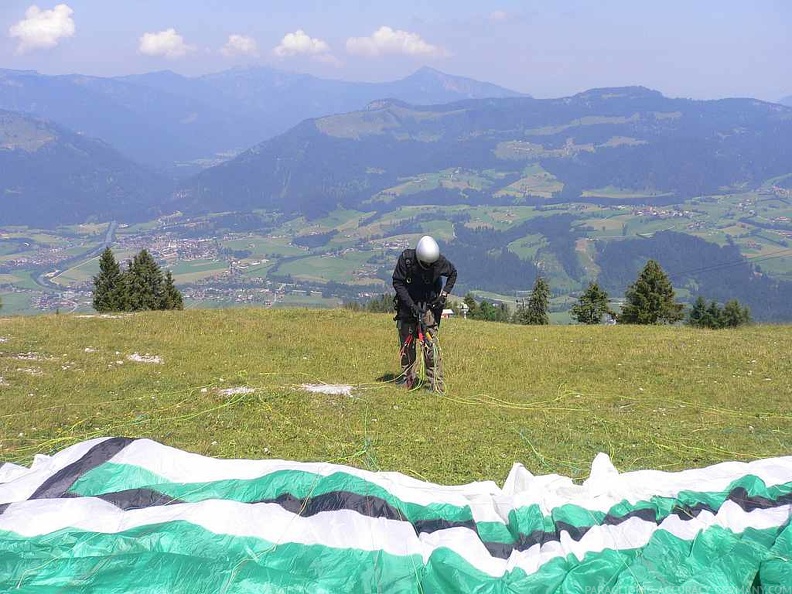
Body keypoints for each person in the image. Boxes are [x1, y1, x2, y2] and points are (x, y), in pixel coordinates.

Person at [392, 235, 457, 392]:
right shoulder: (406, 259)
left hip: (429, 306)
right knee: (407, 344)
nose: (428, 266)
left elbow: (453, 273)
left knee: (430, 345)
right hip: (407, 306)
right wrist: (411, 306)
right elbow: (398, 283)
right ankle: (408, 379)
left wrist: (443, 295)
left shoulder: (440, 262)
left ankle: (436, 385)